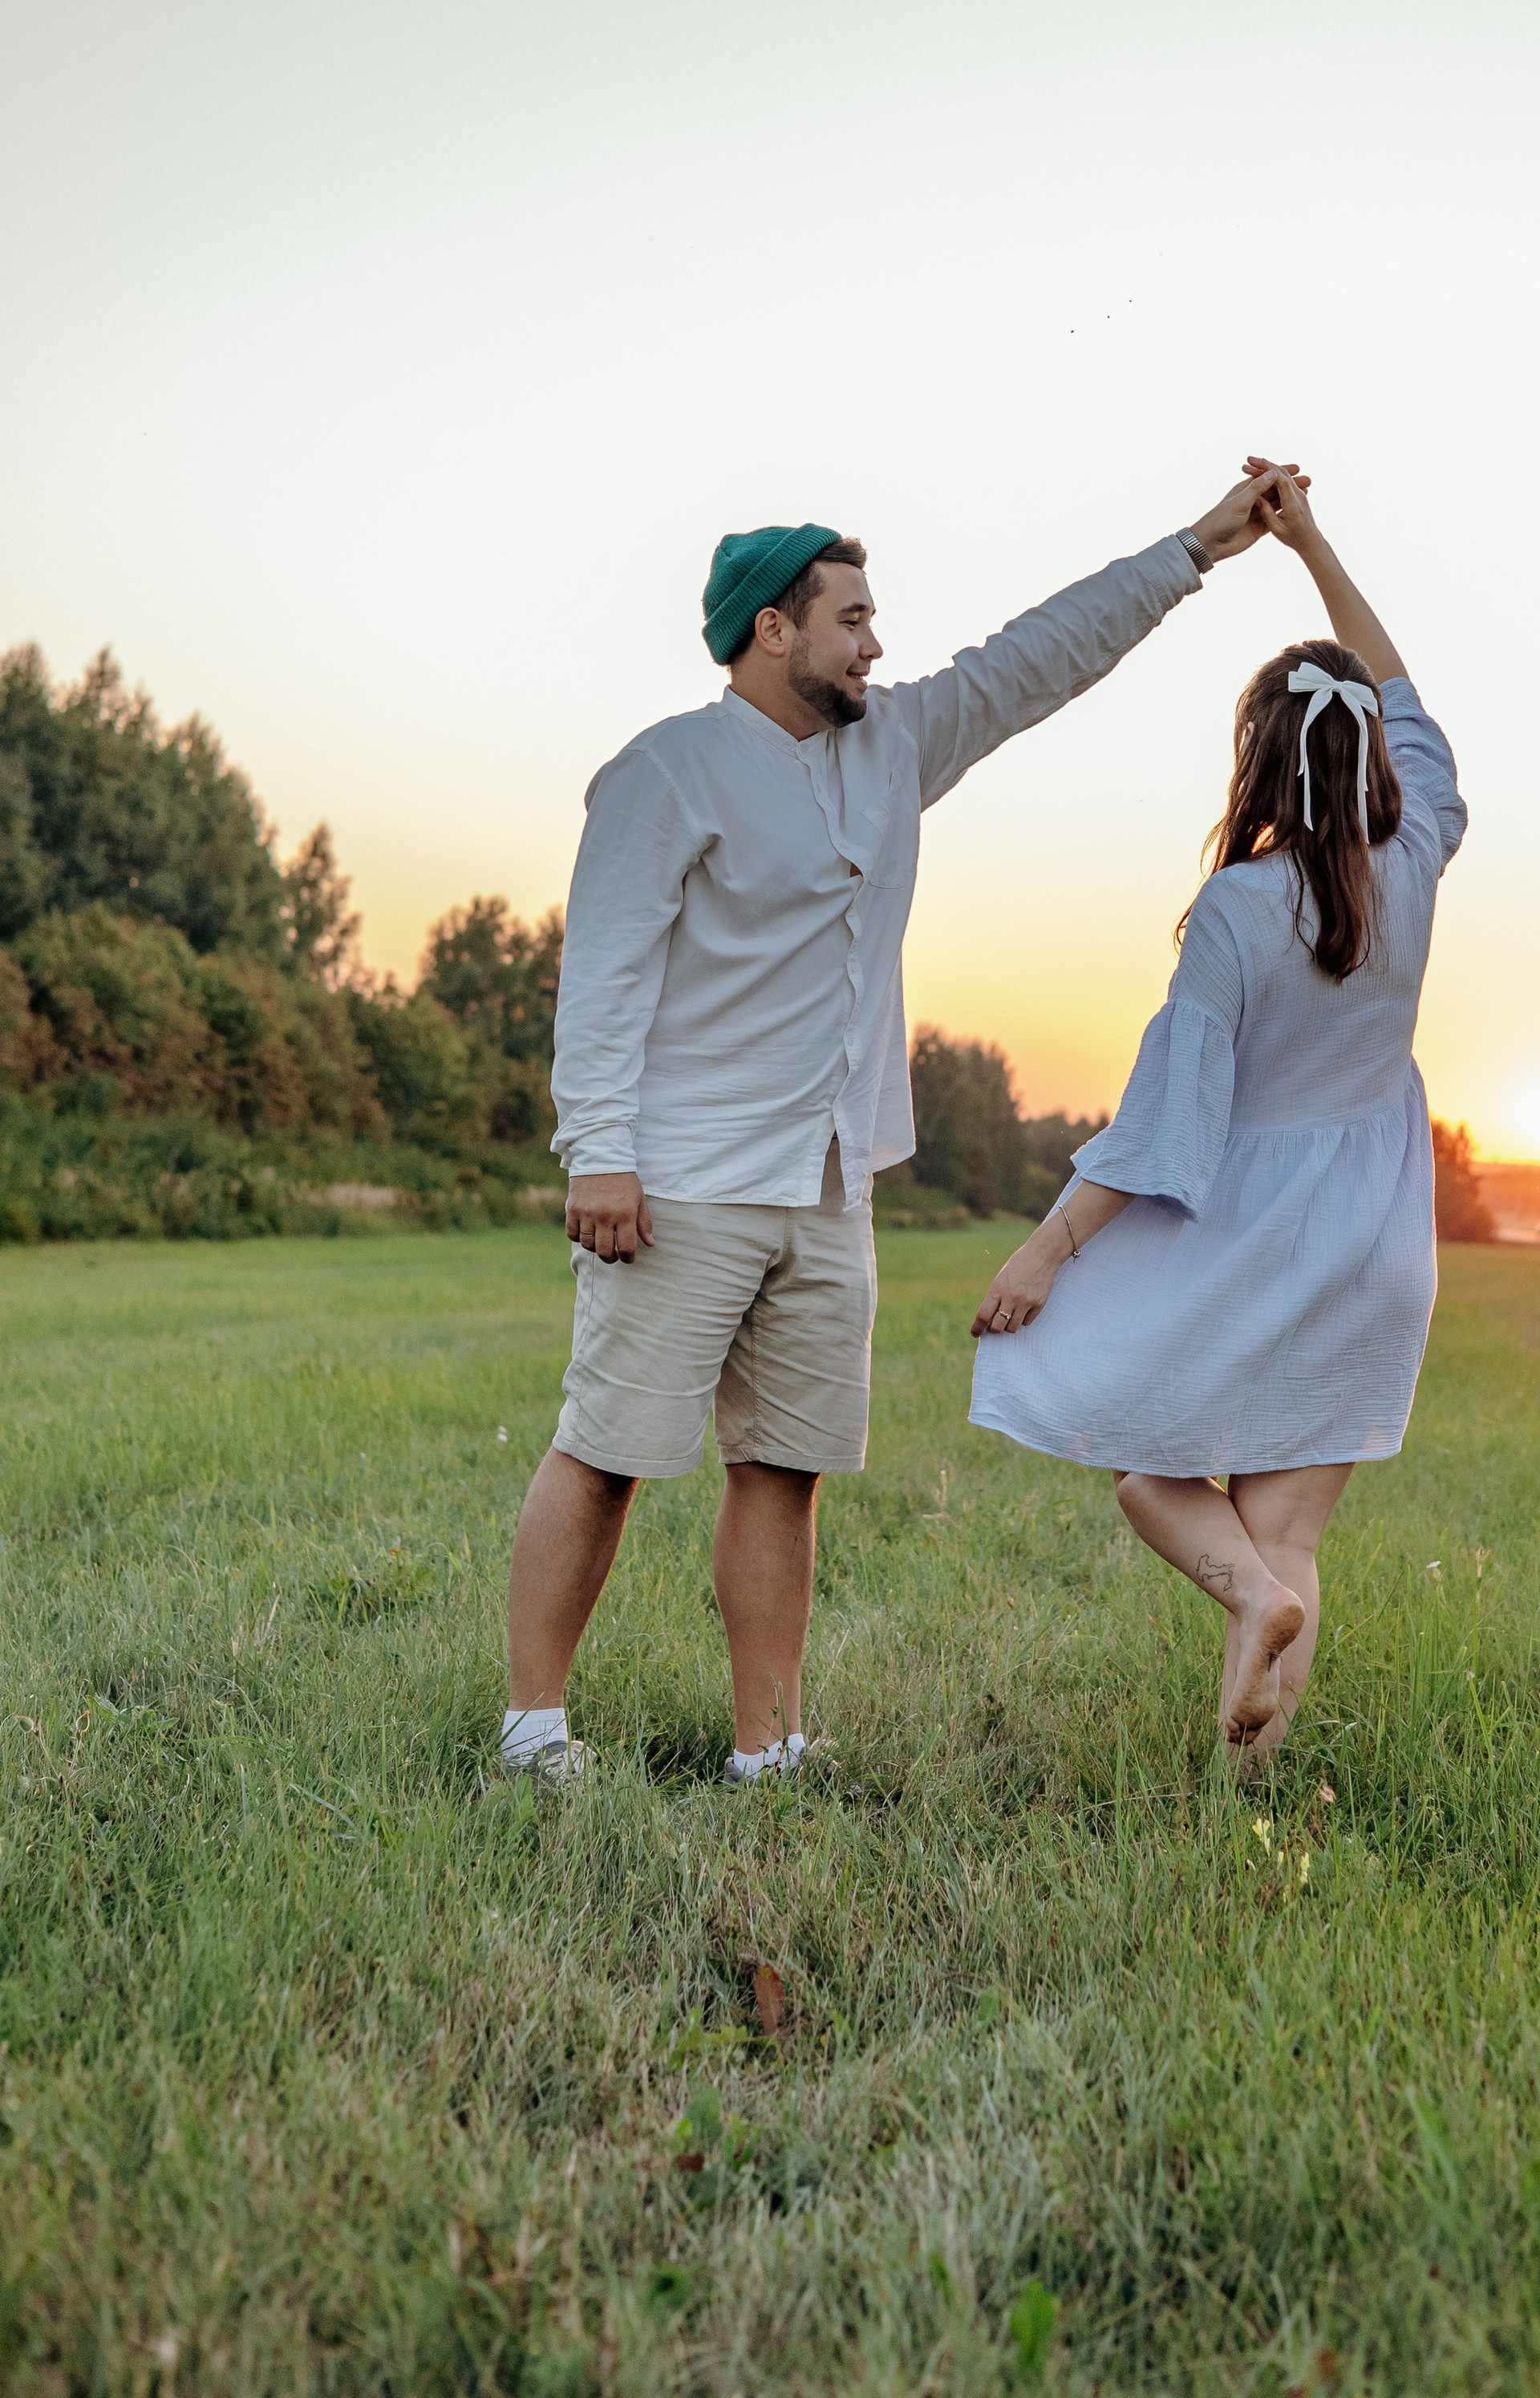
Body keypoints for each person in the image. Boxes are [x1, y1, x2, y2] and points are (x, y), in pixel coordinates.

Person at [500, 463, 1304, 1785]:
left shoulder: (895, 745)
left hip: (831, 1177)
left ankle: (771, 1749)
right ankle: (534, 1735)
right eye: (853, 618)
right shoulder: (664, 774)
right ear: (775, 629)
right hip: (683, 1177)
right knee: (607, 1454)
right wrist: (599, 1151)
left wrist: (1203, 545)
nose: (878, 641)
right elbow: (602, 982)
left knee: (785, 1468)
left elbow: (1045, 654)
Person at [969, 469, 1466, 1762]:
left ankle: (1250, 1599)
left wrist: (1050, 1247)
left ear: (1258, 761)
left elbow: (1165, 1122)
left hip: (1257, 1232)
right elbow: (1401, 691)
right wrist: (1316, 545)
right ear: (1368, 750)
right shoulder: (1417, 864)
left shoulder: (1239, 911)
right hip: (1380, 1247)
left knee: (1147, 1465)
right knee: (1288, 1525)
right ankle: (1250, 1791)